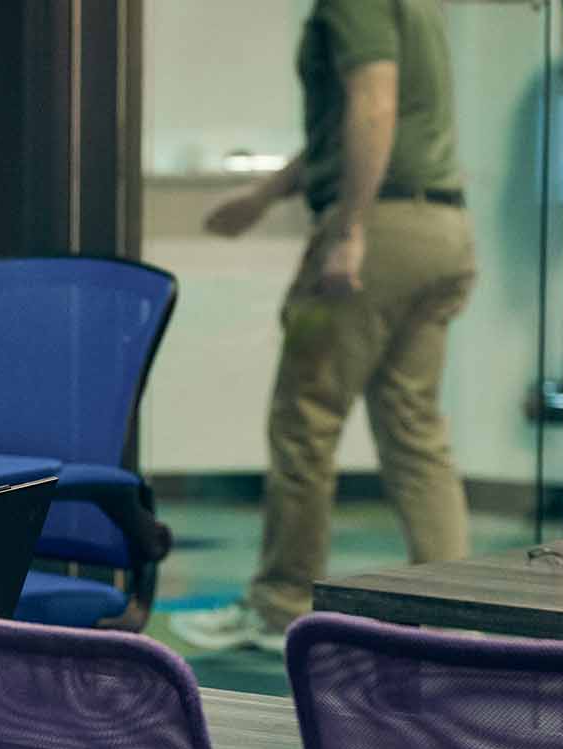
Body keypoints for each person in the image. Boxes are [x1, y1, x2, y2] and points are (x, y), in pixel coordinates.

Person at [172, 0, 476, 654]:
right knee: (414, 430)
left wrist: (351, 229)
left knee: (304, 420)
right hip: (443, 231)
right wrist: (262, 199)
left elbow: (374, 103)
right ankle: (461, 619)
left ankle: (280, 605)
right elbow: (352, 123)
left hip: (383, 232)